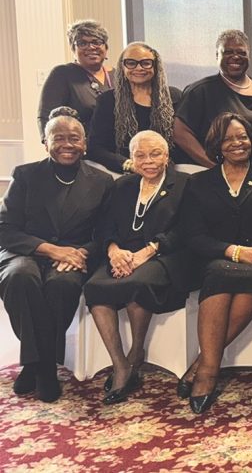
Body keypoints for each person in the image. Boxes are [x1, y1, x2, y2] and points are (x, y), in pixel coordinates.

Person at [177, 113, 252, 413]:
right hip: (216, 260)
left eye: (242, 137)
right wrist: (237, 252)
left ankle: (203, 366)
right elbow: (193, 236)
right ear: (216, 145)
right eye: (228, 139)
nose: (237, 143)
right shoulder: (198, 182)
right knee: (218, 272)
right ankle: (209, 371)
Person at [0, 108, 113, 402]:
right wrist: (50, 249)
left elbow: (105, 233)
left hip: (75, 256)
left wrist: (80, 253)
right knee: (20, 277)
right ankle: (43, 365)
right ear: (45, 142)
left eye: (74, 138)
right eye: (58, 138)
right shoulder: (25, 175)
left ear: (85, 143)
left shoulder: (102, 181)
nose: (67, 144)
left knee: (61, 285)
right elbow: (5, 228)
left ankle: (36, 363)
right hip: (26, 251)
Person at [83, 130, 193, 404]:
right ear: (132, 159)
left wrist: (148, 251)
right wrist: (113, 251)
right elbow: (104, 225)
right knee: (95, 287)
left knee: (138, 284)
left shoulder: (185, 184)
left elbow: (188, 229)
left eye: (155, 153)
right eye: (140, 155)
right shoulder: (122, 185)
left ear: (167, 156)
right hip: (122, 254)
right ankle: (120, 365)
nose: (148, 160)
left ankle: (136, 353)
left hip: (164, 255)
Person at [174, 30, 252, 166]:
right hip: (225, 178)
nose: (236, 57)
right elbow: (180, 133)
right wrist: (214, 167)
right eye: (228, 52)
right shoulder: (200, 91)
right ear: (217, 55)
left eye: (242, 53)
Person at [89, 42, 182, 173]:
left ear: (156, 66)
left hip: (166, 170)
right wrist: (130, 165)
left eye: (146, 63)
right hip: (123, 172)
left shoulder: (174, 97)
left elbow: (181, 143)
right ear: (122, 67)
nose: (139, 68)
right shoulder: (108, 101)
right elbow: (95, 148)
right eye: (131, 63)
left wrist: (160, 163)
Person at [37, 20, 114, 138]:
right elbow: (46, 117)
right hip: (80, 149)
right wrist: (51, 143)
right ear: (73, 49)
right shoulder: (62, 74)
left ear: (106, 47)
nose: (91, 47)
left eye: (97, 42)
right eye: (82, 43)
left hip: (117, 149)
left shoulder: (117, 75)